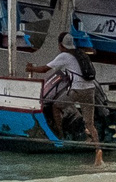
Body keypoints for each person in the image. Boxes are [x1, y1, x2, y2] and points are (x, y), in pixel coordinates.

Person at [42, 35, 108, 166]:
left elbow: (44, 69)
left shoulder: (64, 56)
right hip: (90, 90)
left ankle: (60, 136)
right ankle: (98, 149)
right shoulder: (81, 54)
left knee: (56, 106)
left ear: (61, 45)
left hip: (77, 91)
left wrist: (30, 69)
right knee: (90, 123)